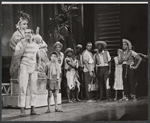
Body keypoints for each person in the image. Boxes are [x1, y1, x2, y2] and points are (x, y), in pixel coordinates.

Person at [15, 29, 41, 116]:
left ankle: (33, 109)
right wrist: (24, 48)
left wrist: (38, 65)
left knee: (33, 88)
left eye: (29, 32)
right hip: (24, 65)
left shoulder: (35, 45)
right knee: (23, 87)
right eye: (25, 33)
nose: (27, 34)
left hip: (33, 66)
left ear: (32, 34)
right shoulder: (20, 43)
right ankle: (22, 109)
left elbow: (39, 56)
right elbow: (16, 56)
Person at [9, 11, 30, 78]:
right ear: (19, 24)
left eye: (26, 24)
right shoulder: (16, 34)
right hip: (18, 57)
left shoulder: (27, 33)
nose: (26, 25)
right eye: (24, 24)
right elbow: (17, 46)